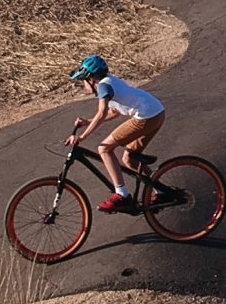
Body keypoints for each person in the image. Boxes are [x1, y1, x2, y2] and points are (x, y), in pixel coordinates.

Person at [68, 55, 163, 213]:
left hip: (145, 116)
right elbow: (113, 112)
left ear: (90, 79)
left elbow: (102, 113)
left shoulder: (103, 87)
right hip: (156, 112)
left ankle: (122, 195)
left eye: (83, 82)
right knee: (130, 159)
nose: (83, 86)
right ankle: (161, 191)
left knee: (104, 149)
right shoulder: (110, 81)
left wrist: (82, 137)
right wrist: (87, 122)